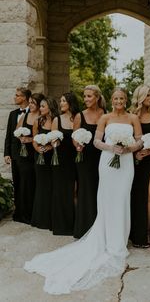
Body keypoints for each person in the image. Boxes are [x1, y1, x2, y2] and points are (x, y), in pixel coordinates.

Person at [24, 87, 142, 294]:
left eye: (122, 98)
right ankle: (105, 239)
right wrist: (111, 148)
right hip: (108, 161)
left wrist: (129, 148)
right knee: (106, 200)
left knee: (122, 199)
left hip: (126, 163)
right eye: (116, 98)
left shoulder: (133, 118)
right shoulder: (105, 117)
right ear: (111, 100)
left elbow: (140, 140)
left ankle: (119, 242)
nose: (119, 101)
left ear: (126, 99)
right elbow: (96, 141)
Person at [129, 85, 150, 247]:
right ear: (140, 97)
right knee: (135, 197)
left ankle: (148, 234)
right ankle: (135, 234)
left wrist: (145, 153)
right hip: (132, 161)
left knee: (148, 195)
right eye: (147, 95)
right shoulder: (131, 116)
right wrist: (135, 153)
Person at [73, 85, 106, 239]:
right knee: (86, 190)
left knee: (101, 190)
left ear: (97, 97)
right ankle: (84, 228)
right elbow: (74, 137)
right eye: (84, 96)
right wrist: (77, 145)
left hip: (103, 158)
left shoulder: (105, 114)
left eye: (89, 96)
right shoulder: (80, 116)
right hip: (85, 159)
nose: (86, 99)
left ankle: (100, 228)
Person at [51, 92, 79, 235]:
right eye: (60, 101)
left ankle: (75, 224)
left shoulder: (78, 118)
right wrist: (54, 141)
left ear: (70, 103)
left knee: (74, 191)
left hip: (76, 159)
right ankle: (61, 225)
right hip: (61, 160)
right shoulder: (57, 120)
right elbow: (53, 139)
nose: (61, 103)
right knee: (61, 191)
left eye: (63, 101)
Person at [16, 93, 45, 224]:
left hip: (36, 153)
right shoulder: (24, 116)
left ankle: (35, 213)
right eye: (30, 102)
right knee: (25, 182)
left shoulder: (42, 118)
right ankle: (24, 213)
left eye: (33, 103)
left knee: (35, 182)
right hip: (24, 154)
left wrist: (31, 139)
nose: (31, 105)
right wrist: (21, 137)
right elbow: (17, 131)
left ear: (39, 104)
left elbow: (43, 136)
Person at [31, 97, 59, 230]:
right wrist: (38, 149)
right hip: (40, 157)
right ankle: (40, 219)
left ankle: (51, 220)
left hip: (52, 157)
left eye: (43, 106)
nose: (40, 108)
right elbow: (34, 139)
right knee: (41, 186)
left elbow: (57, 139)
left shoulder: (56, 120)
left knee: (51, 186)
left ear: (50, 107)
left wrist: (50, 147)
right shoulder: (38, 121)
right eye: (40, 106)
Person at [4, 87, 31, 221]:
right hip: (15, 154)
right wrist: (7, 153)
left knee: (27, 184)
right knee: (17, 182)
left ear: (25, 98)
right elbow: (8, 135)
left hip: (29, 155)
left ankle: (28, 213)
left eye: (18, 95)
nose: (15, 97)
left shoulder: (33, 113)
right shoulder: (13, 114)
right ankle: (18, 213)